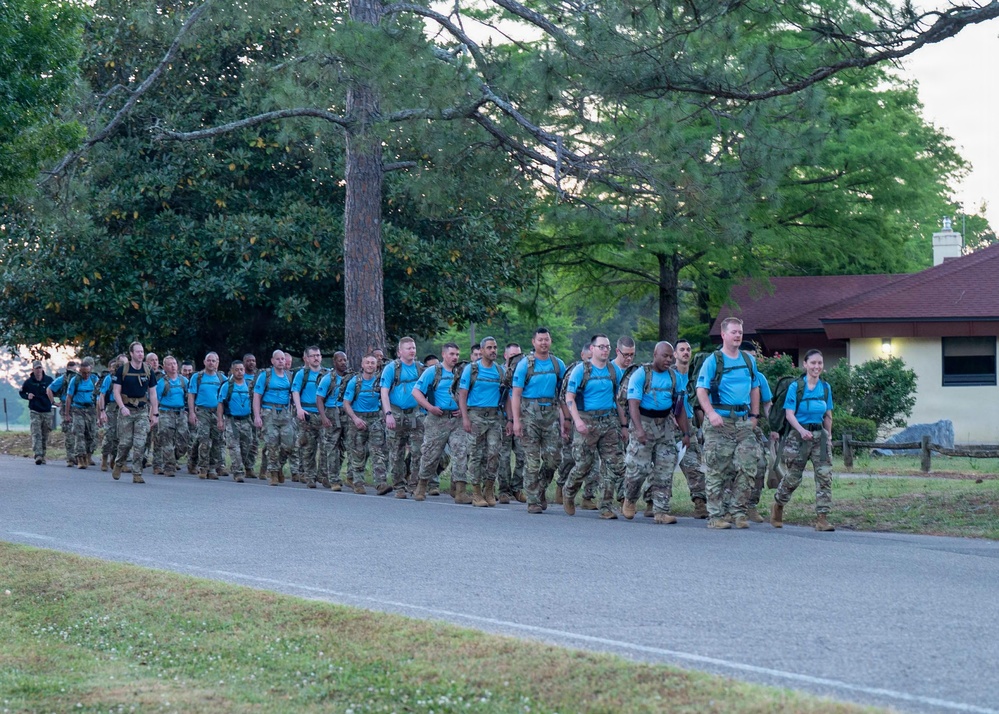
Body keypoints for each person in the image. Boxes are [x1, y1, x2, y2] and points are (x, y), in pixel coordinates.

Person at [695, 317, 762, 529]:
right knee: (717, 470)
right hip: (719, 422)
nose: (738, 335)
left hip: (743, 422)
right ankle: (715, 517)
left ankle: (738, 512)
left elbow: (755, 388)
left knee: (749, 466)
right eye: (733, 332)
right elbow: (701, 390)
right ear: (723, 334)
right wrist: (710, 413)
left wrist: (754, 416)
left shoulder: (748, 360)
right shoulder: (713, 361)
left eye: (740, 332)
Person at [621, 342, 691, 524]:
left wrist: (686, 433)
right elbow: (633, 404)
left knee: (665, 469)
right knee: (639, 469)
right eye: (665, 356)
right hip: (643, 421)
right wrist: (639, 430)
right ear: (655, 354)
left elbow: (679, 408)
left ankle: (661, 511)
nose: (668, 360)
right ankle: (629, 499)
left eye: (670, 356)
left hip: (665, 425)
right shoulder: (641, 375)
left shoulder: (674, 377)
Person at [562, 334, 627, 519]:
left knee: (613, 465)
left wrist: (623, 425)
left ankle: (605, 506)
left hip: (608, 421)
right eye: (601, 347)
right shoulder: (581, 370)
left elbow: (618, 399)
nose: (605, 350)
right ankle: (569, 491)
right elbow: (569, 398)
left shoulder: (614, 371)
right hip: (586, 420)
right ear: (592, 349)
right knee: (584, 464)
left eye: (607, 347)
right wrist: (578, 421)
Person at [771, 349, 836, 532]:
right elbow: (789, 414)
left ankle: (822, 518)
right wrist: (800, 430)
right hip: (798, 438)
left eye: (820, 363)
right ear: (805, 365)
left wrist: (828, 436)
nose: (817, 366)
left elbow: (828, 414)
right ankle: (778, 505)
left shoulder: (825, 387)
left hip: (819, 437)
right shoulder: (796, 387)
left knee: (824, 476)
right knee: (793, 477)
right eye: (813, 363)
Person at [510, 328, 566, 514]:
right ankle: (533, 499)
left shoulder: (558, 364)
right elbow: (516, 395)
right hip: (529, 416)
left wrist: (565, 419)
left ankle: (540, 486)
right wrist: (516, 421)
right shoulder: (525, 364)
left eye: (547, 339)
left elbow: (563, 394)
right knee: (532, 460)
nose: (544, 343)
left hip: (551, 415)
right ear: (533, 342)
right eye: (540, 340)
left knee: (553, 459)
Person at [412, 342, 468, 502]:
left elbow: (469, 393)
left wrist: (464, 409)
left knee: (461, 453)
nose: (455, 357)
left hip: (456, 419)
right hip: (437, 419)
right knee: (430, 454)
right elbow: (416, 392)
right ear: (444, 355)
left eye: (457, 354)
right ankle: (421, 486)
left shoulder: (462, 372)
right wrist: (430, 407)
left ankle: (460, 491)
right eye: (451, 354)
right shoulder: (433, 371)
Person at [458, 337, 505, 507]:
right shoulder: (471, 369)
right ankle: (476, 492)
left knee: (494, 453)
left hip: (494, 416)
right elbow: (462, 395)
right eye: (490, 348)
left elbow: (505, 395)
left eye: (495, 347)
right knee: (475, 455)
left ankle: (489, 489)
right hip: (475, 415)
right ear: (482, 350)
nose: (493, 350)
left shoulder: (500, 371)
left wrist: (509, 419)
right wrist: (465, 418)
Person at [380, 337, 425, 499]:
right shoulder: (392, 368)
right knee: (396, 452)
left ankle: (414, 484)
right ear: (400, 352)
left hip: (415, 414)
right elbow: (384, 392)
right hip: (396, 413)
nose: (412, 351)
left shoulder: (420, 368)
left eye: (413, 348)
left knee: (418, 451)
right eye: (408, 348)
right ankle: (399, 485)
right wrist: (388, 414)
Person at [111, 341, 159, 484]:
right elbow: (116, 391)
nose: (140, 354)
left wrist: (155, 413)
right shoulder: (123, 370)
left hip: (142, 411)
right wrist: (122, 407)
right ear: (131, 354)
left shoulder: (148, 370)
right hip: (126, 410)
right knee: (125, 443)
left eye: (142, 352)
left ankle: (137, 473)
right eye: (137, 352)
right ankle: (119, 463)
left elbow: (153, 394)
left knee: (140, 443)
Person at [342, 353, 388, 494]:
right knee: (358, 452)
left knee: (378, 452)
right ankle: (358, 482)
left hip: (375, 419)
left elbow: (385, 398)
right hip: (358, 418)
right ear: (362, 365)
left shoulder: (380, 382)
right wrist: (355, 419)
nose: (370, 365)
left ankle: (381, 483)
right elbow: (346, 403)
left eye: (372, 363)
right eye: (367, 362)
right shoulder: (355, 382)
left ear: (377, 365)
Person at [673, 339, 709, 518]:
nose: (686, 352)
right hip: (667, 425)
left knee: (693, 465)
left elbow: (699, 405)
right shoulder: (668, 375)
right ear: (675, 354)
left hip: (689, 425)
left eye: (688, 349)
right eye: (681, 349)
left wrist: (703, 427)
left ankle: (700, 503)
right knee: (658, 467)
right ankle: (650, 503)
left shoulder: (696, 377)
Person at [253, 350, 294, 485]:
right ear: (272, 361)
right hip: (269, 411)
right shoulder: (266, 376)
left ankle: (279, 466)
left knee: (289, 444)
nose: (281, 361)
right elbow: (257, 396)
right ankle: (273, 473)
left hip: (285, 412)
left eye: (283, 359)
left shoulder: (289, 375)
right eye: (278, 359)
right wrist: (257, 416)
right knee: (272, 444)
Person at [187, 352, 226, 480]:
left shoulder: (222, 379)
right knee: (203, 439)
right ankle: (202, 467)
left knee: (216, 439)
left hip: (217, 412)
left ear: (217, 363)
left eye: (213, 361)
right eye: (208, 360)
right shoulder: (197, 377)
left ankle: (212, 467)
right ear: (204, 362)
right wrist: (192, 412)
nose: (211, 363)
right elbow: (191, 395)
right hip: (202, 411)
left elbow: (226, 397)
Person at [292, 345, 326, 489]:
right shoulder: (302, 374)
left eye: (318, 355)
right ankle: (310, 476)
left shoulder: (327, 374)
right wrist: (299, 409)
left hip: (323, 415)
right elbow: (295, 391)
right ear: (307, 358)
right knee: (308, 448)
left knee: (326, 447)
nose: (316, 358)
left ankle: (323, 475)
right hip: (307, 414)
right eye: (313, 356)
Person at [497, 342, 526, 503]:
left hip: (521, 418)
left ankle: (517, 487)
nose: (517, 359)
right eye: (513, 355)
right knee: (504, 456)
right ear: (506, 356)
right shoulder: (501, 372)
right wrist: (509, 419)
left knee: (523, 455)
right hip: (503, 418)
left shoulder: (524, 371)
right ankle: (503, 490)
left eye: (519, 355)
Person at [316, 351, 349, 491]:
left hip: (346, 413)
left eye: (345, 360)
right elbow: (319, 399)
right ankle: (333, 479)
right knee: (331, 447)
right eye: (340, 360)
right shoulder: (328, 378)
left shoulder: (350, 378)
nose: (343, 363)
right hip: (331, 412)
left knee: (344, 448)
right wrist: (323, 417)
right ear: (334, 363)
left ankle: (325, 474)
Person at [218, 359, 255, 483]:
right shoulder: (227, 386)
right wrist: (220, 420)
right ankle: (238, 472)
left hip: (246, 420)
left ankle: (244, 466)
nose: (239, 372)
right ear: (232, 371)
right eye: (237, 369)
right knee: (234, 448)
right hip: (231, 420)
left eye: (241, 369)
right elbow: (221, 404)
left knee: (246, 447)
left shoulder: (249, 385)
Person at [154, 355, 188, 477]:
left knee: (184, 442)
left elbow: (189, 397)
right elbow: (155, 400)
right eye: (169, 364)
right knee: (167, 441)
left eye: (174, 363)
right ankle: (169, 467)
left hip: (181, 413)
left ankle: (173, 458)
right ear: (165, 367)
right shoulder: (161, 383)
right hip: (166, 413)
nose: (173, 366)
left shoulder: (184, 381)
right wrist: (154, 415)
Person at [65, 357, 100, 469]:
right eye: (84, 373)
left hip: (91, 410)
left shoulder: (94, 380)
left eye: (88, 373)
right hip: (78, 409)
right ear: (80, 371)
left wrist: (100, 414)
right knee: (79, 434)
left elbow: (99, 397)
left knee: (92, 434)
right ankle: (80, 458)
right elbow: (69, 397)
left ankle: (88, 455)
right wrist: (67, 414)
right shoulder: (75, 380)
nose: (86, 375)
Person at [19, 360, 54, 465]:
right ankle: (38, 454)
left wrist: (54, 400)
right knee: (36, 433)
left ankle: (43, 454)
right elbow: (22, 392)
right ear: (33, 369)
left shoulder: (49, 380)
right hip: (35, 410)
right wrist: (27, 396)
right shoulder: (29, 382)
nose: (38, 370)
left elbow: (55, 390)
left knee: (45, 434)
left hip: (46, 410)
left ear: (42, 369)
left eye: (40, 368)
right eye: (36, 368)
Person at [46, 359, 78, 467]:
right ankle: (70, 457)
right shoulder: (62, 379)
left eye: (75, 370)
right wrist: (53, 402)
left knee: (79, 432)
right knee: (68, 431)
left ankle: (78, 456)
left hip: (78, 406)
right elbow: (49, 389)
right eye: (71, 370)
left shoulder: (78, 378)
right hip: (65, 406)